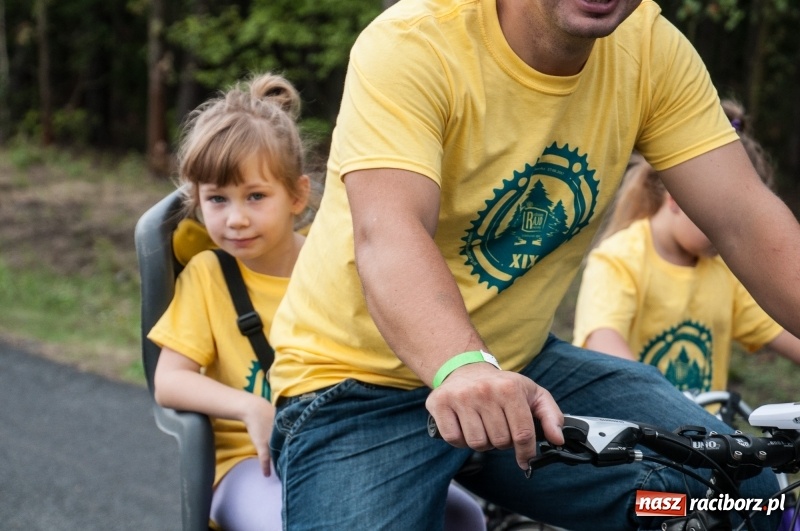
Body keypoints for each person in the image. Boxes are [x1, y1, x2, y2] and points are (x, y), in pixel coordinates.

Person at [267, 1, 800, 530]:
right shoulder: (414, 40)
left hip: (520, 372)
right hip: (358, 386)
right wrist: (465, 368)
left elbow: (745, 220)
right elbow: (390, 234)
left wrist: (487, 371)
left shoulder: (649, 47)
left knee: (743, 499)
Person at [146, 72, 488, 531]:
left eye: (255, 196)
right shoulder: (209, 275)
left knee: (463, 516)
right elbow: (169, 381)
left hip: (343, 442)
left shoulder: (334, 264)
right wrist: (251, 408)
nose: (236, 218)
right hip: (250, 463)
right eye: (217, 200)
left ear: (297, 195)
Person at [572, 101, 800, 394]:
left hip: (707, 424)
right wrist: (667, 402)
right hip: (634, 420)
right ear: (679, 197)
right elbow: (602, 341)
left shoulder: (724, 271)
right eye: (724, 220)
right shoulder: (618, 259)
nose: (732, 238)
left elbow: (785, 332)